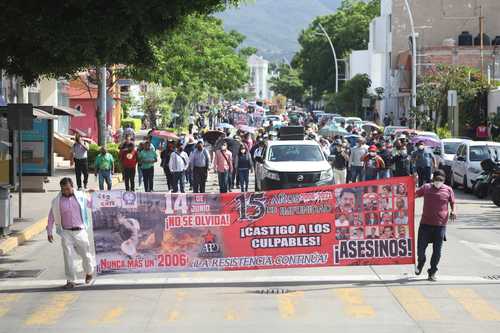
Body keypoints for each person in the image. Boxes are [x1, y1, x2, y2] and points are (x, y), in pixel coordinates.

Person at [47, 177, 94, 288]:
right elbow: (51, 217)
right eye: (63, 189)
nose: (66, 191)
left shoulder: (81, 196)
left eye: (68, 189)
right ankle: (70, 280)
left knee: (86, 255)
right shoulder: (56, 201)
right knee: (67, 257)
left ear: (72, 187)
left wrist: (93, 196)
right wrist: (49, 231)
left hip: (80, 231)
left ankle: (89, 272)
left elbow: (91, 205)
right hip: (66, 232)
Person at [415, 170, 455, 281]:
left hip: (440, 226)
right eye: (436, 180)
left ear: (444, 180)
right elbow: (415, 195)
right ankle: (421, 261)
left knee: (437, 252)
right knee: (420, 250)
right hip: (425, 225)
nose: (438, 182)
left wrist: (453, 211)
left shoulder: (448, 189)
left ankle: (432, 272)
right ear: (433, 179)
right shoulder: (426, 187)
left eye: (441, 180)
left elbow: (452, 202)